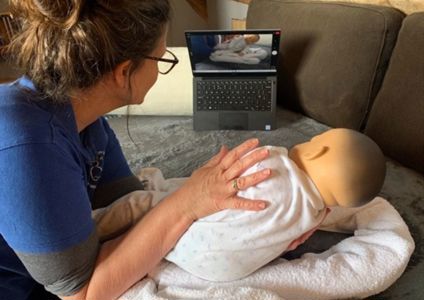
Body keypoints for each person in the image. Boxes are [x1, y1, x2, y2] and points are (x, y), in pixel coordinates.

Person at [0, 1, 272, 299]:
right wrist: (187, 202)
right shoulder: (27, 145)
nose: (161, 65)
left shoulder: (87, 125)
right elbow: (84, 295)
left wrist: (261, 234)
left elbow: (130, 212)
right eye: (161, 58)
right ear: (123, 72)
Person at [94, 128, 386, 282]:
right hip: (221, 270)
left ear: (319, 149)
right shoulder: (315, 216)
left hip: (186, 239)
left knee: (140, 204)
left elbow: (224, 177)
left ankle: (95, 226)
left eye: (315, 138)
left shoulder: (273, 161)